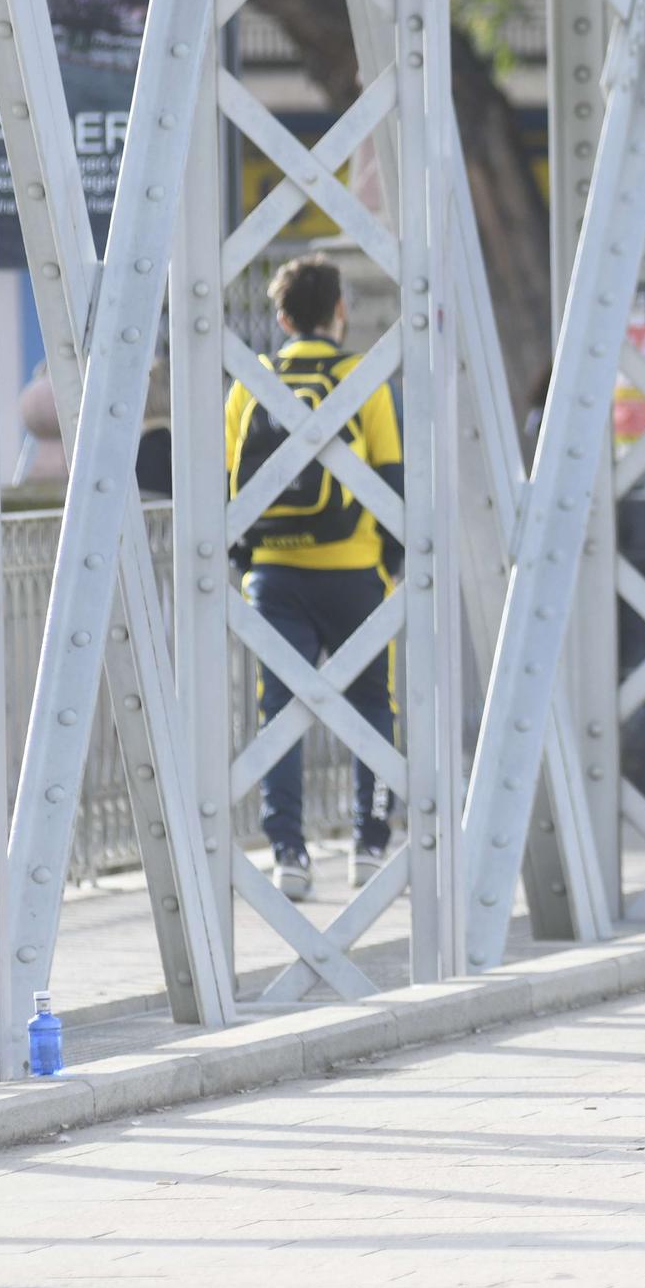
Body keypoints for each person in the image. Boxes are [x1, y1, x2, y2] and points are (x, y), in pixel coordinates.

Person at [225, 256, 403, 899]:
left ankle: (289, 853)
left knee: (280, 714)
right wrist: (390, 565)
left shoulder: (251, 381)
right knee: (372, 708)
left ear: (279, 317)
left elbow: (228, 488)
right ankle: (371, 843)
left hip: (274, 577)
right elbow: (392, 478)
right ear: (339, 312)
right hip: (353, 572)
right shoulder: (365, 379)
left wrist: (250, 566)